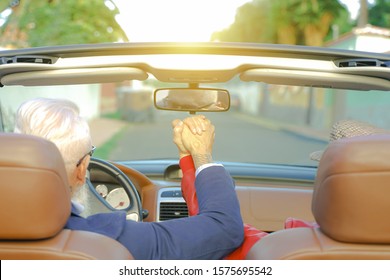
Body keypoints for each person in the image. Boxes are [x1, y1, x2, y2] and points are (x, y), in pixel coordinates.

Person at [14, 97, 244, 260]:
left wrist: (187, 159)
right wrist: (201, 154)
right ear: (82, 168)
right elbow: (224, 228)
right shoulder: (111, 239)